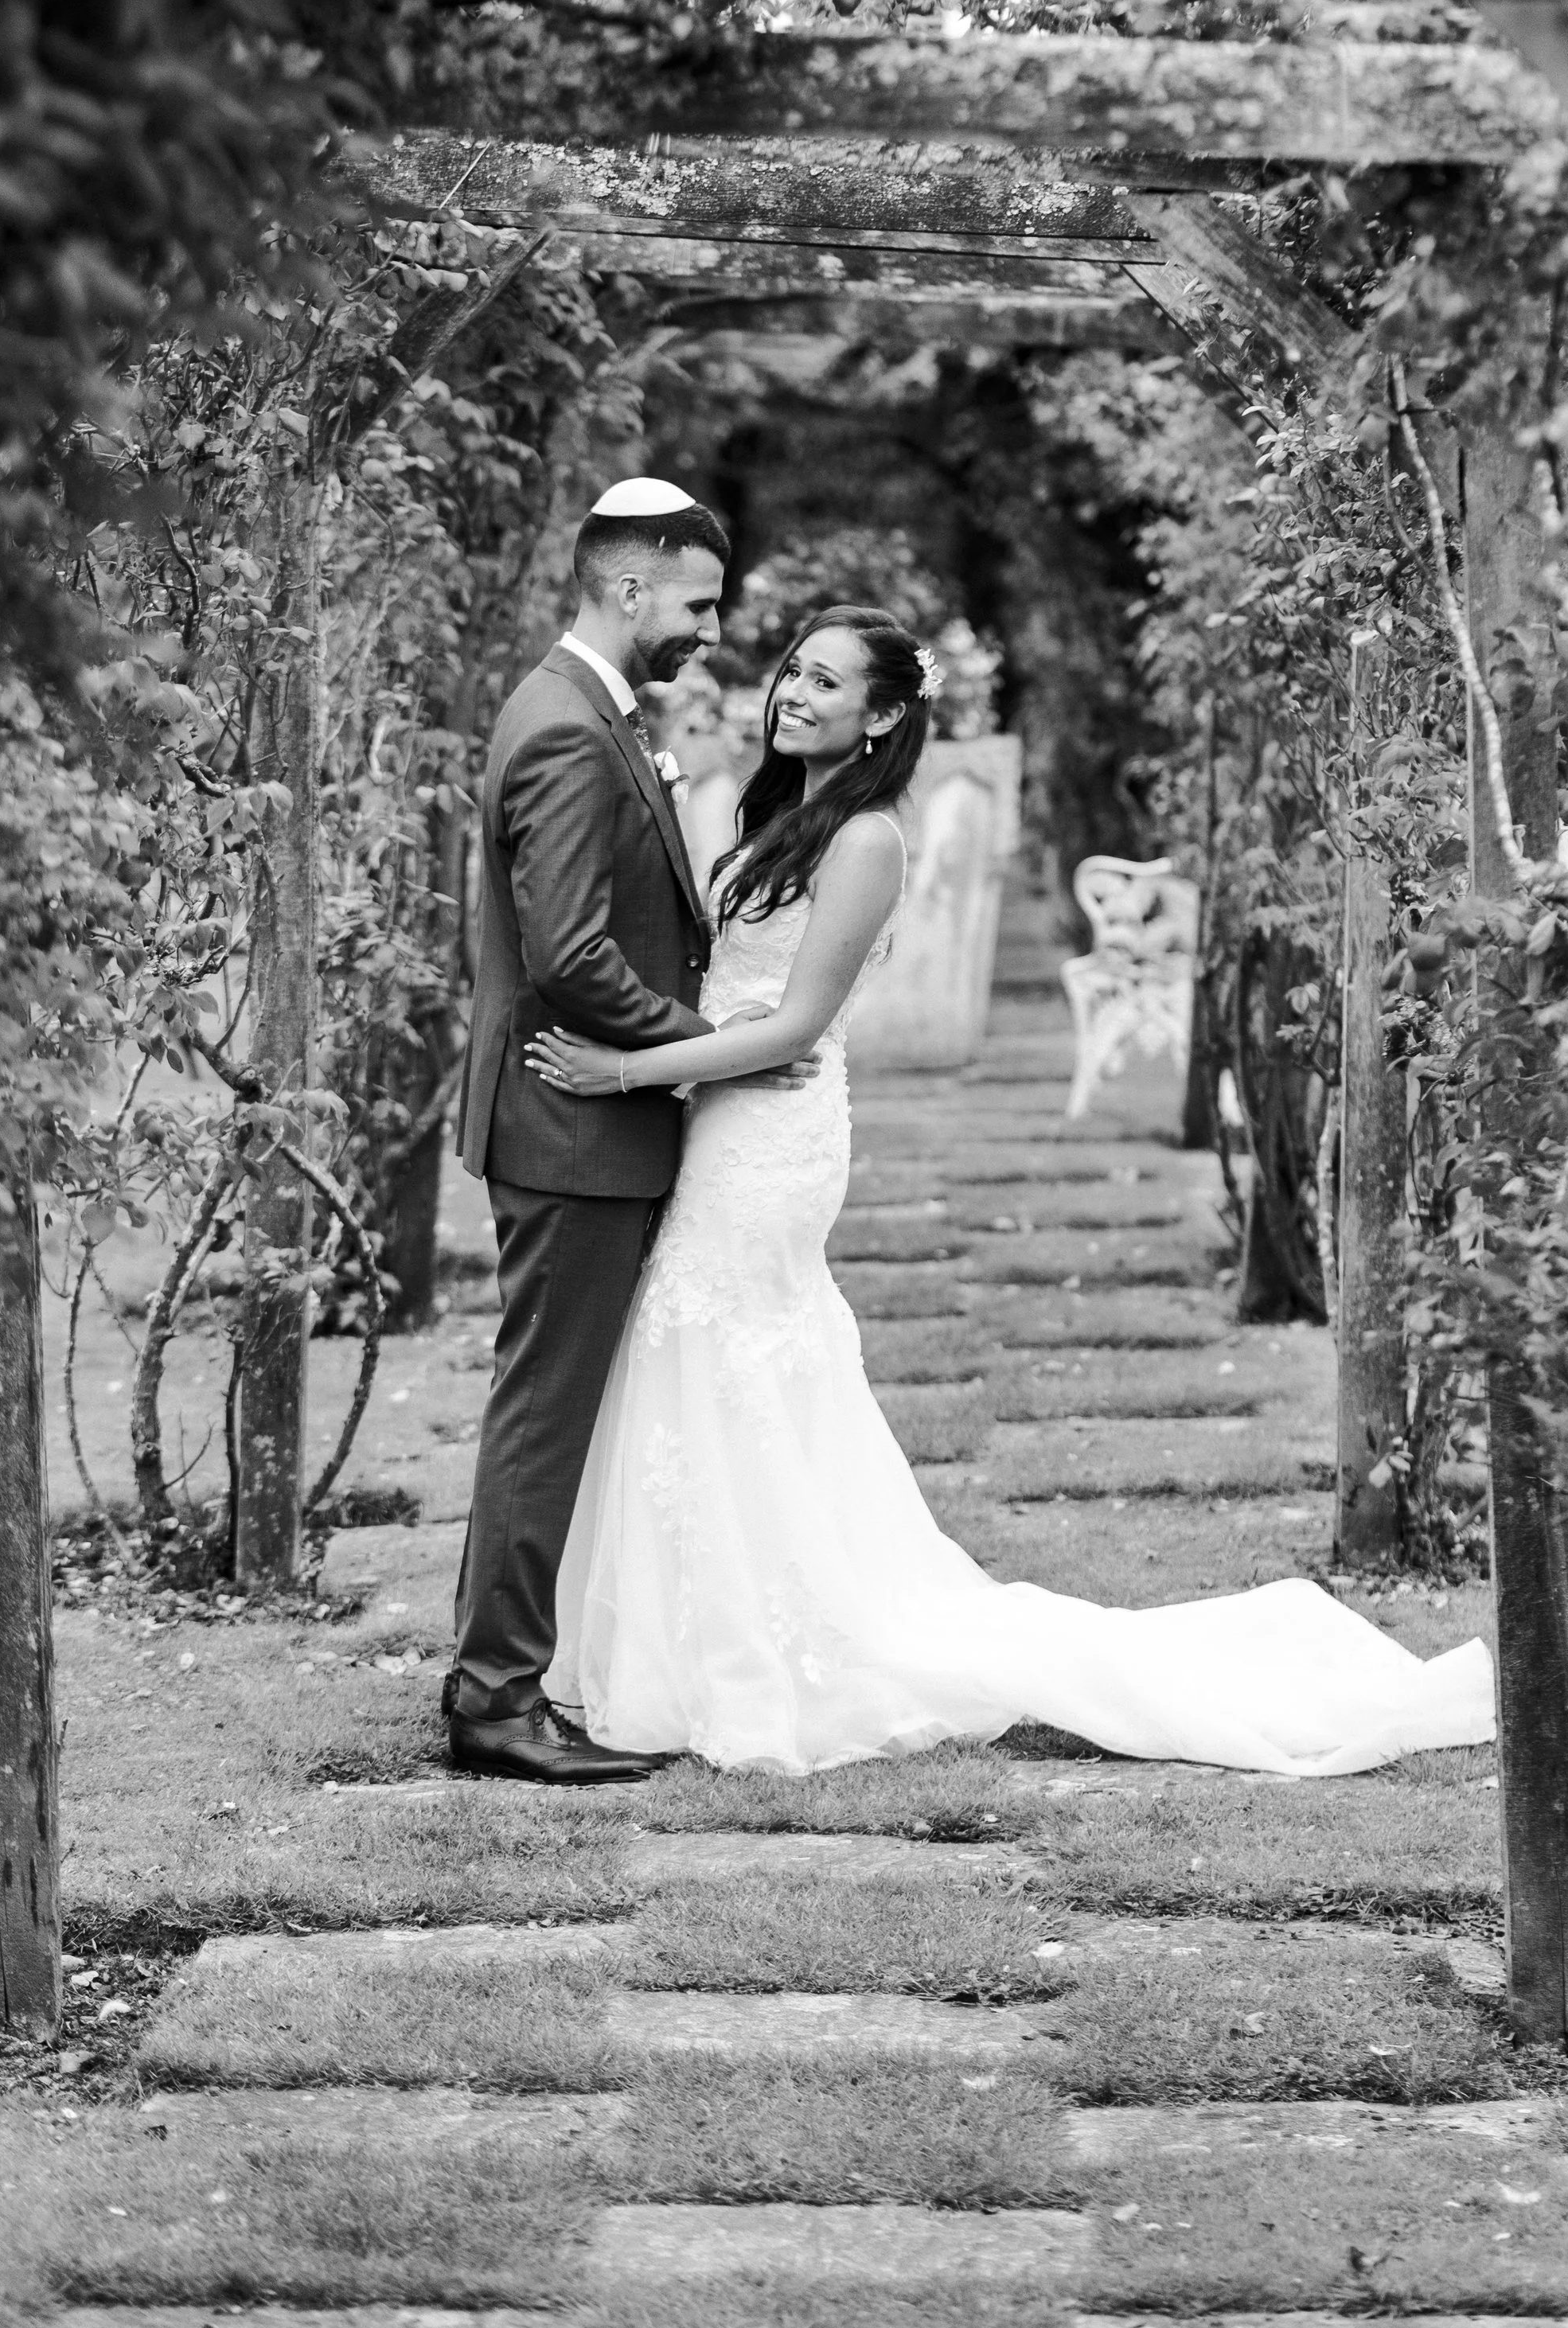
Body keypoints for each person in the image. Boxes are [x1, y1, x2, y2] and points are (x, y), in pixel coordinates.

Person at [525, 602, 1497, 1778]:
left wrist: (626, 1065)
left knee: (719, 1346)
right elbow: (728, 985)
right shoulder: (768, 812)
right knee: (714, 1361)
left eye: (826, 684)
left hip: (769, 1142)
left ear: (884, 714)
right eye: (792, 672)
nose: (793, 694)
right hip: (728, 1118)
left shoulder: (868, 839)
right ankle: (699, 1629)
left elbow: (795, 1023)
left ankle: (756, 1647)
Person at [444, 477, 743, 1783]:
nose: (708, 628)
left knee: (545, 1405)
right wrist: (701, 1047)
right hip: (573, 1121)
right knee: (544, 1413)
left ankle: (494, 1677)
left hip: (571, 1117)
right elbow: (568, 951)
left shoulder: (581, 708)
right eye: (697, 600)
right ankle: (496, 1700)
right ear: (631, 585)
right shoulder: (567, 726)